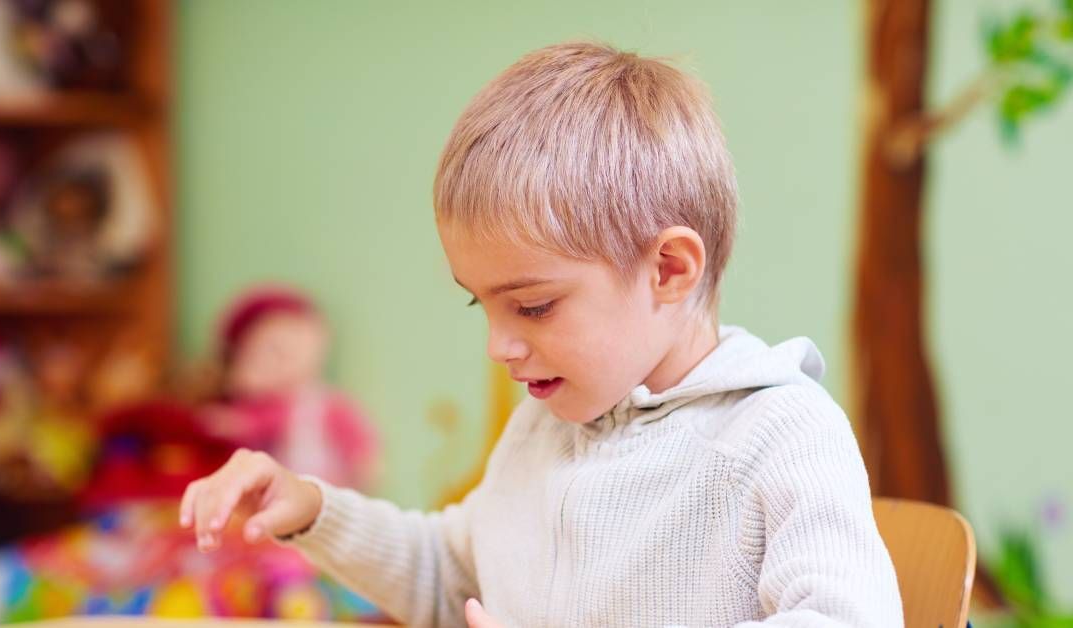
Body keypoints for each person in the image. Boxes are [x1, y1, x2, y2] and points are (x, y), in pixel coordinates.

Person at [179, 41, 904, 627]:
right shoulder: (545, 429)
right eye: (481, 308)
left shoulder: (779, 434)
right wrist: (310, 507)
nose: (500, 346)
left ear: (670, 270)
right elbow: (451, 573)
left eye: (532, 307)